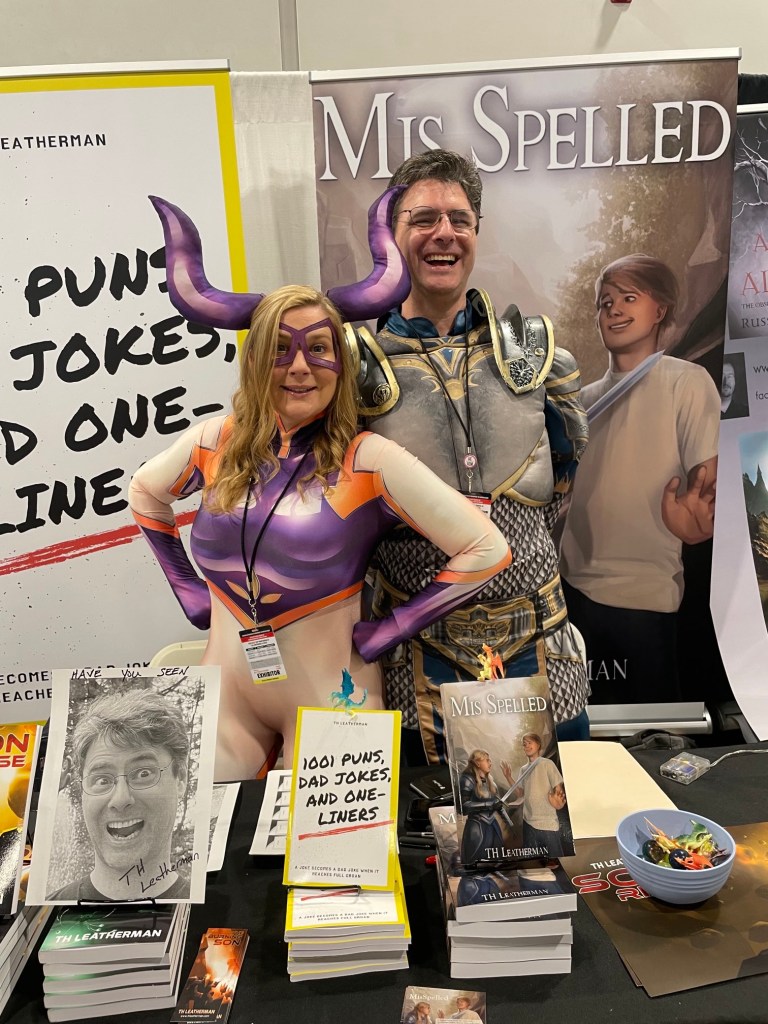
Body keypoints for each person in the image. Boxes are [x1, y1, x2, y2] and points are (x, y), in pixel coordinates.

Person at [131, 201, 511, 782]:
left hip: (335, 699)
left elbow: (486, 549)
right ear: (254, 362)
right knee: (207, 831)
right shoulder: (216, 442)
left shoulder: (369, 461)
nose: (299, 367)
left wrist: (394, 628)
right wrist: (188, 587)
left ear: (342, 362)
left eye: (318, 348)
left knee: (330, 845)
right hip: (227, 690)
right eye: (278, 349)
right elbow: (145, 493)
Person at [350, 150, 590, 763]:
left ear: (477, 232)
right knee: (427, 818)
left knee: (553, 811)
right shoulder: (350, 370)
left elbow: (563, 478)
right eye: (423, 218)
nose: (444, 233)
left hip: (539, 642)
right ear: (391, 235)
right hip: (413, 656)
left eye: (459, 219)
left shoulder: (537, 355)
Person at [560, 254, 721, 702]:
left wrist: (698, 522)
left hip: (645, 603)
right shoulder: (580, 400)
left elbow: (708, 496)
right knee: (579, 730)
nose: (613, 309)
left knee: (649, 733)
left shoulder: (687, 383)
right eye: (605, 302)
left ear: (660, 309)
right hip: (570, 599)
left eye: (629, 297)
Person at [48, 688, 190, 901]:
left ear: (181, 779)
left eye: (143, 774)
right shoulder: (44, 912)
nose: (121, 799)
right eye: (102, 780)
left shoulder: (216, 909)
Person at [500, 732, 566, 858]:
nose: (526, 746)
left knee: (555, 860)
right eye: (524, 744)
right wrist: (508, 776)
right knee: (532, 861)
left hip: (548, 824)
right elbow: (520, 793)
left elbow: (559, 791)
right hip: (528, 824)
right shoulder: (523, 769)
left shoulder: (547, 764)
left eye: (530, 743)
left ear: (538, 744)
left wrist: (558, 802)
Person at [458, 750, 505, 865]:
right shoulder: (467, 780)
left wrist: (500, 809)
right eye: (487, 760)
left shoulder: (490, 781)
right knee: (476, 862)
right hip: (477, 826)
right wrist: (488, 805)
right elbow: (463, 807)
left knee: (497, 860)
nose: (490, 763)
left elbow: (496, 803)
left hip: (492, 825)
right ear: (478, 763)